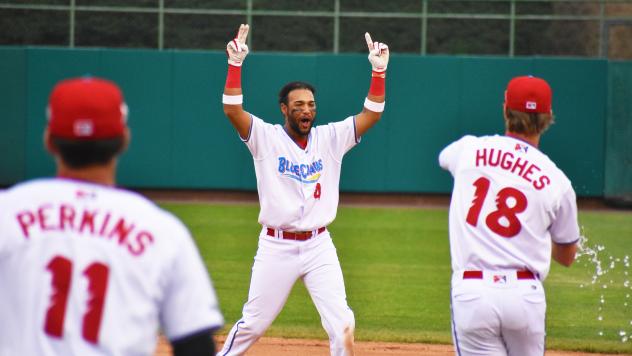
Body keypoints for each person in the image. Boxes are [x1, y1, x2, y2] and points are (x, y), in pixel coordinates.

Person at [0, 77, 224, 356]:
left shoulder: (7, 211)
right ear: (124, 140)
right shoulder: (162, 231)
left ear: (49, 140)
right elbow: (195, 345)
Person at [216, 24, 389, 356]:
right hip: (276, 246)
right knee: (253, 323)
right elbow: (232, 111)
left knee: (342, 324)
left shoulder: (331, 138)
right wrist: (234, 65)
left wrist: (379, 72)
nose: (306, 110)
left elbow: (373, 114)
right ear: (284, 109)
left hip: (318, 245)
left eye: (310, 104)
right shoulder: (266, 138)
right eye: (298, 105)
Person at [438, 75, 580, 355]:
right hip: (525, 297)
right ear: (548, 117)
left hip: (473, 293)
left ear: (505, 109)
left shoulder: (468, 150)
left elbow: (443, 158)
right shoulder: (557, 181)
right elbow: (567, 256)